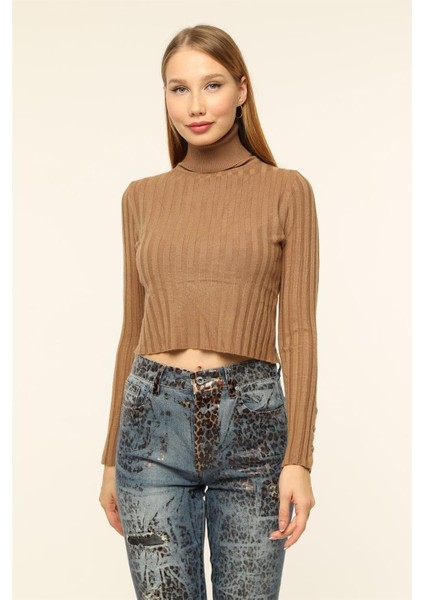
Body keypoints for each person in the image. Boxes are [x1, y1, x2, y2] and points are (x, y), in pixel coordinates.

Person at [99, 23, 319, 600]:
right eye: (179, 89)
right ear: (166, 97)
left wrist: (298, 459)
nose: (195, 106)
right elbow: (131, 331)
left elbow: (298, 331)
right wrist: (109, 459)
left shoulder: (287, 191)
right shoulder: (141, 197)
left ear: (242, 90)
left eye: (212, 85)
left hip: (252, 426)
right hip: (150, 425)